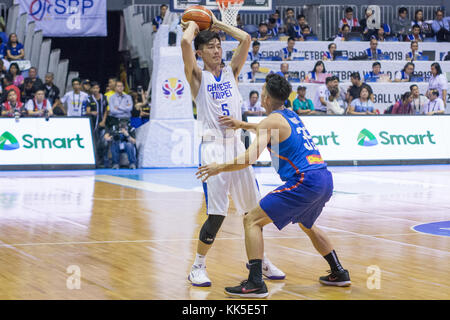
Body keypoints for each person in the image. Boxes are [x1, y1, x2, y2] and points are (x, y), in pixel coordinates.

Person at [196, 74, 351, 298]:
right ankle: (338, 271)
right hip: (324, 178)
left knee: (252, 219)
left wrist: (218, 167)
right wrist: (242, 124)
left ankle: (255, 282)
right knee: (307, 224)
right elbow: (266, 128)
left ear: (266, 97)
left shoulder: (270, 122)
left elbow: (248, 159)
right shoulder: (291, 115)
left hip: (304, 181)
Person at [181, 12, 284, 287]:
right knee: (217, 213)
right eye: (210, 47)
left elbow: (246, 38)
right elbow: (183, 43)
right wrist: (193, 25)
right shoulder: (197, 77)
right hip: (213, 147)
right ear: (200, 52)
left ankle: (257, 264)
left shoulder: (231, 72)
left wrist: (216, 24)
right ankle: (197, 266)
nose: (216, 50)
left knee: (254, 210)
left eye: (218, 45)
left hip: (237, 144)